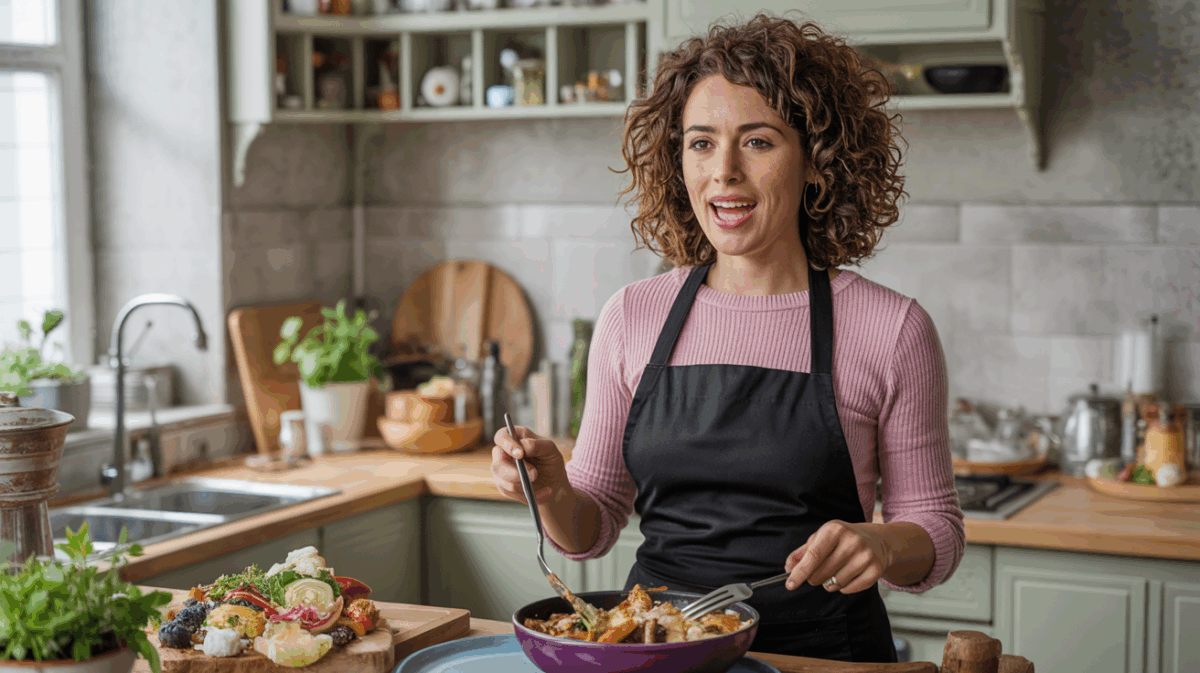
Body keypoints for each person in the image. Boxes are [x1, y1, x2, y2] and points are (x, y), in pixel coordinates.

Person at [491, 12, 964, 663]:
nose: (725, 172)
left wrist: (882, 544)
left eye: (759, 142)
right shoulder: (632, 315)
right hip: (653, 648)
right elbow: (591, 524)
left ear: (817, 161)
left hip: (824, 654)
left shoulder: (891, 328)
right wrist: (550, 490)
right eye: (702, 143)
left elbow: (936, 530)